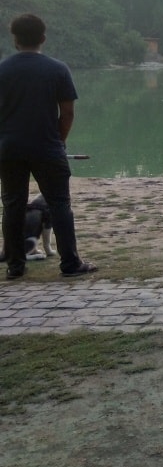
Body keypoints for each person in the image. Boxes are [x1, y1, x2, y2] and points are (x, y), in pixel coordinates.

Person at [0, 14, 97, 279]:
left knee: (12, 206)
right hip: (47, 147)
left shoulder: (3, 69)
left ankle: (15, 266)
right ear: (43, 38)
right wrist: (58, 140)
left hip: (9, 148)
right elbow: (67, 113)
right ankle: (70, 264)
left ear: (16, 40)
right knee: (59, 204)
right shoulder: (57, 69)